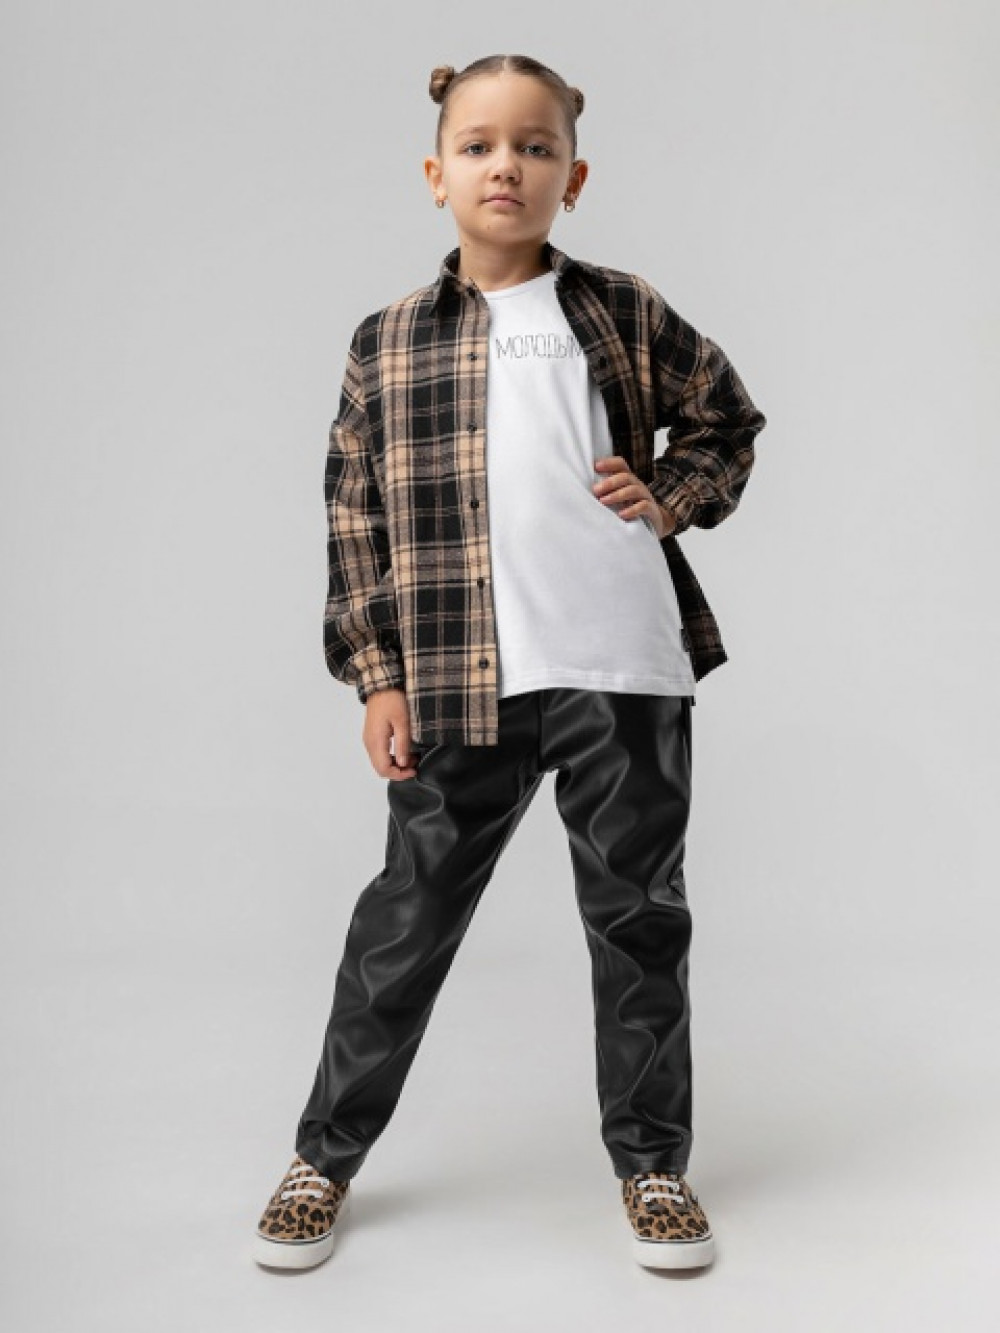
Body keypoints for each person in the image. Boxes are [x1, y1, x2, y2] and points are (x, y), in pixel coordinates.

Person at [253, 52, 767, 1274]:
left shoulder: (622, 309)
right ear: (436, 174)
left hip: (623, 671)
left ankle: (652, 1165)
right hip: (456, 680)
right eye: (479, 145)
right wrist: (377, 675)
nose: (507, 166)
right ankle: (323, 1156)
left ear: (571, 178)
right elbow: (354, 517)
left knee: (638, 922)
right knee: (406, 920)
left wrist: (670, 492)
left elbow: (726, 419)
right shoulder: (387, 341)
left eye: (535, 148)